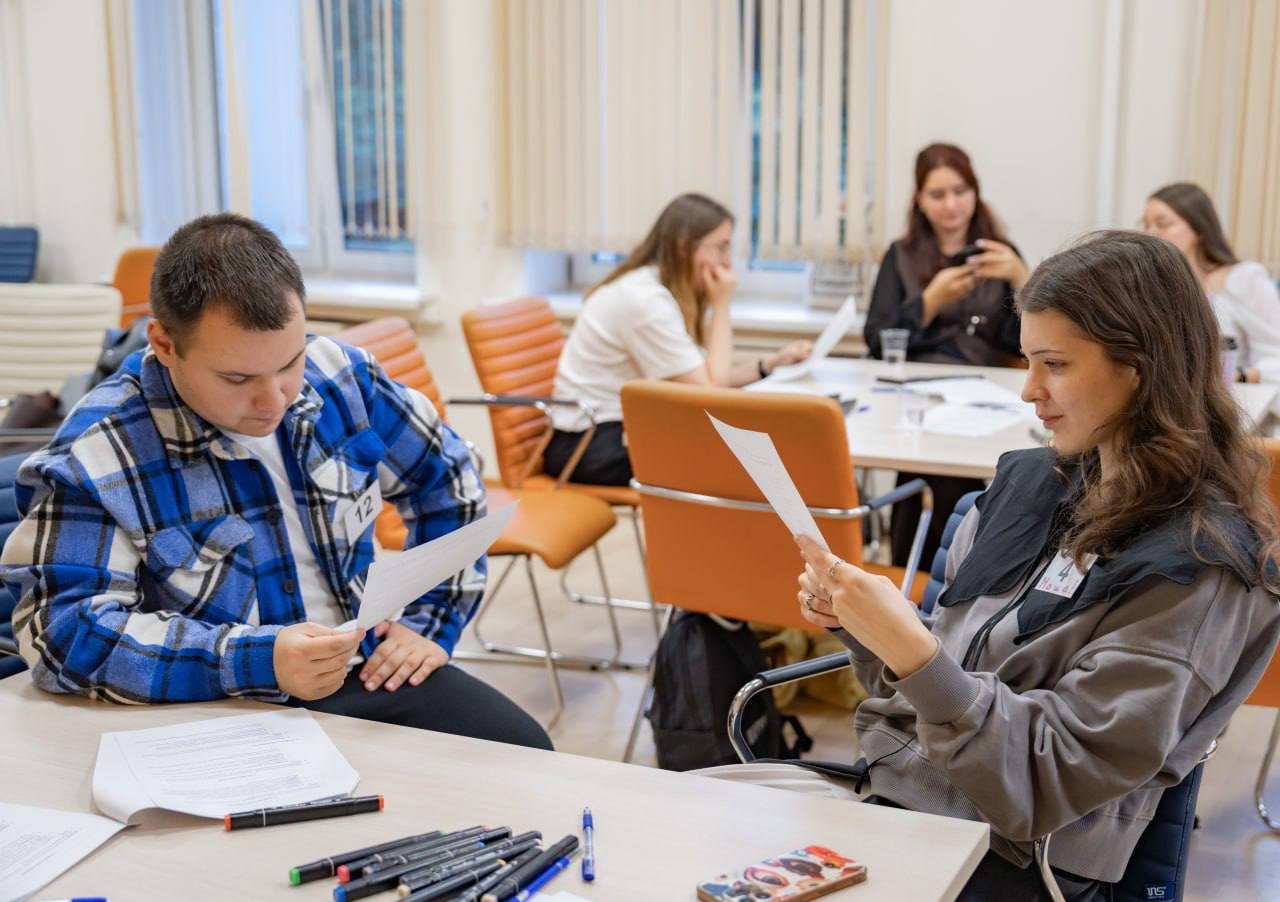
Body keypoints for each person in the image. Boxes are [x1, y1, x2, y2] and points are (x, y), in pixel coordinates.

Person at [785, 231, 1279, 902]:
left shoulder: (1206, 568)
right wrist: (868, 631)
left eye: (1054, 365)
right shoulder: (1027, 485)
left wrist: (914, 653)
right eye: (1027, 361)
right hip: (903, 809)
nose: (1028, 391)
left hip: (1018, 878)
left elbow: (1045, 783)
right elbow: (923, 696)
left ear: (1140, 370)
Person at [0, 213, 550, 750]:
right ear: (165, 344)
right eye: (237, 378)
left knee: (526, 754)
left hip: (362, 665)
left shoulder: (339, 376)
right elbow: (64, 635)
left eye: (289, 362)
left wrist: (430, 622)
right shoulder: (100, 451)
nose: (275, 400)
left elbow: (446, 479)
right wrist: (256, 658)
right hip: (213, 706)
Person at [544, 193, 812, 486]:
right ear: (686, 247)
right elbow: (712, 391)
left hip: (609, 434)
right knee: (742, 465)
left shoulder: (659, 291)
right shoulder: (645, 302)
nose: (727, 263)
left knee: (752, 458)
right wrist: (722, 306)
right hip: (586, 445)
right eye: (721, 248)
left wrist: (770, 364)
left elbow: (704, 378)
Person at [864, 143, 1030, 568]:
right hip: (916, 397)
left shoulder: (1002, 252)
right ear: (919, 200)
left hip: (986, 397)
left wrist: (1022, 279)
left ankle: (913, 574)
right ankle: (946, 573)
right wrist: (928, 302)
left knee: (930, 470)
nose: (951, 205)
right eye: (937, 195)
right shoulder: (900, 255)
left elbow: (1026, 341)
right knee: (925, 461)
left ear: (975, 191)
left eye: (960, 191)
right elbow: (878, 340)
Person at [1143, 181, 1280, 385]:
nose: (1150, 234)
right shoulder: (1156, 285)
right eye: (1145, 224)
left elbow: (1276, 354)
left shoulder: (1245, 279)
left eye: (1163, 224)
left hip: (1239, 400)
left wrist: (1237, 376)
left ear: (1198, 228)